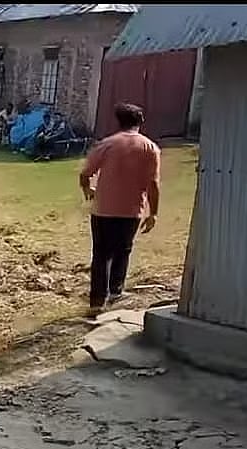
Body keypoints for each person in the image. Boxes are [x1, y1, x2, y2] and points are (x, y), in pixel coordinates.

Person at [78, 102, 161, 315]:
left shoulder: (107, 144)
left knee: (100, 254)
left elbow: (85, 173)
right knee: (123, 251)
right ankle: (115, 292)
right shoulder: (150, 147)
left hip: (103, 209)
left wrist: (88, 190)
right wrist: (154, 213)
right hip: (131, 210)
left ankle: (97, 301)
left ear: (119, 121)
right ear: (141, 121)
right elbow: (153, 184)